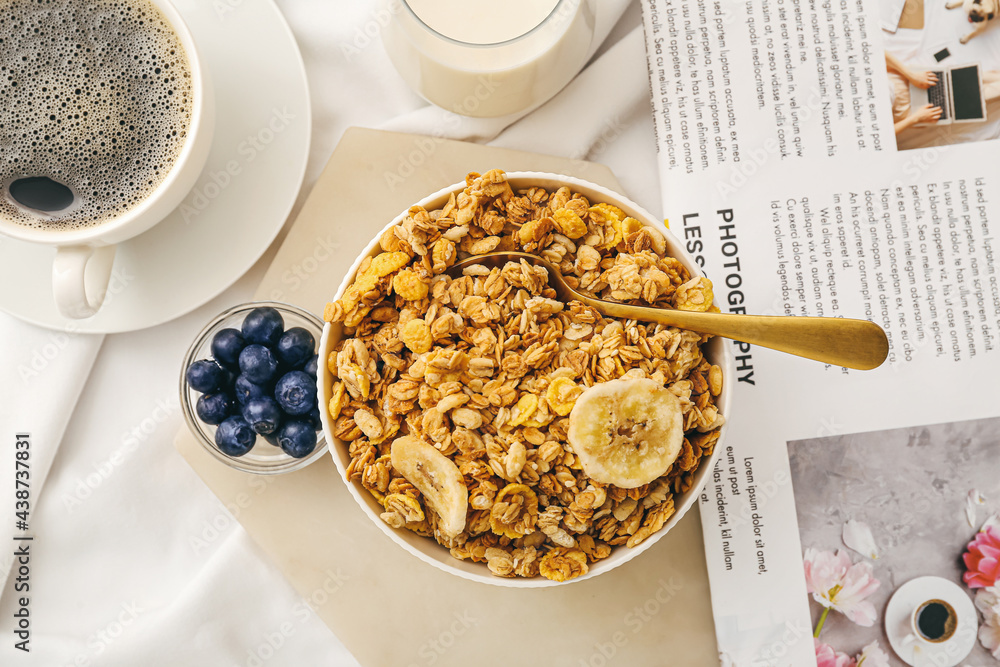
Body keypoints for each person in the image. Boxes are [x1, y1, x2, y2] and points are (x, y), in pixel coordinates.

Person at [884, 51, 943, 135]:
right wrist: (915, 118)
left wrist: (913, 76)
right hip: (904, 112)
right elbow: (884, 135)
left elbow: (878, 52)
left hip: (904, 79)